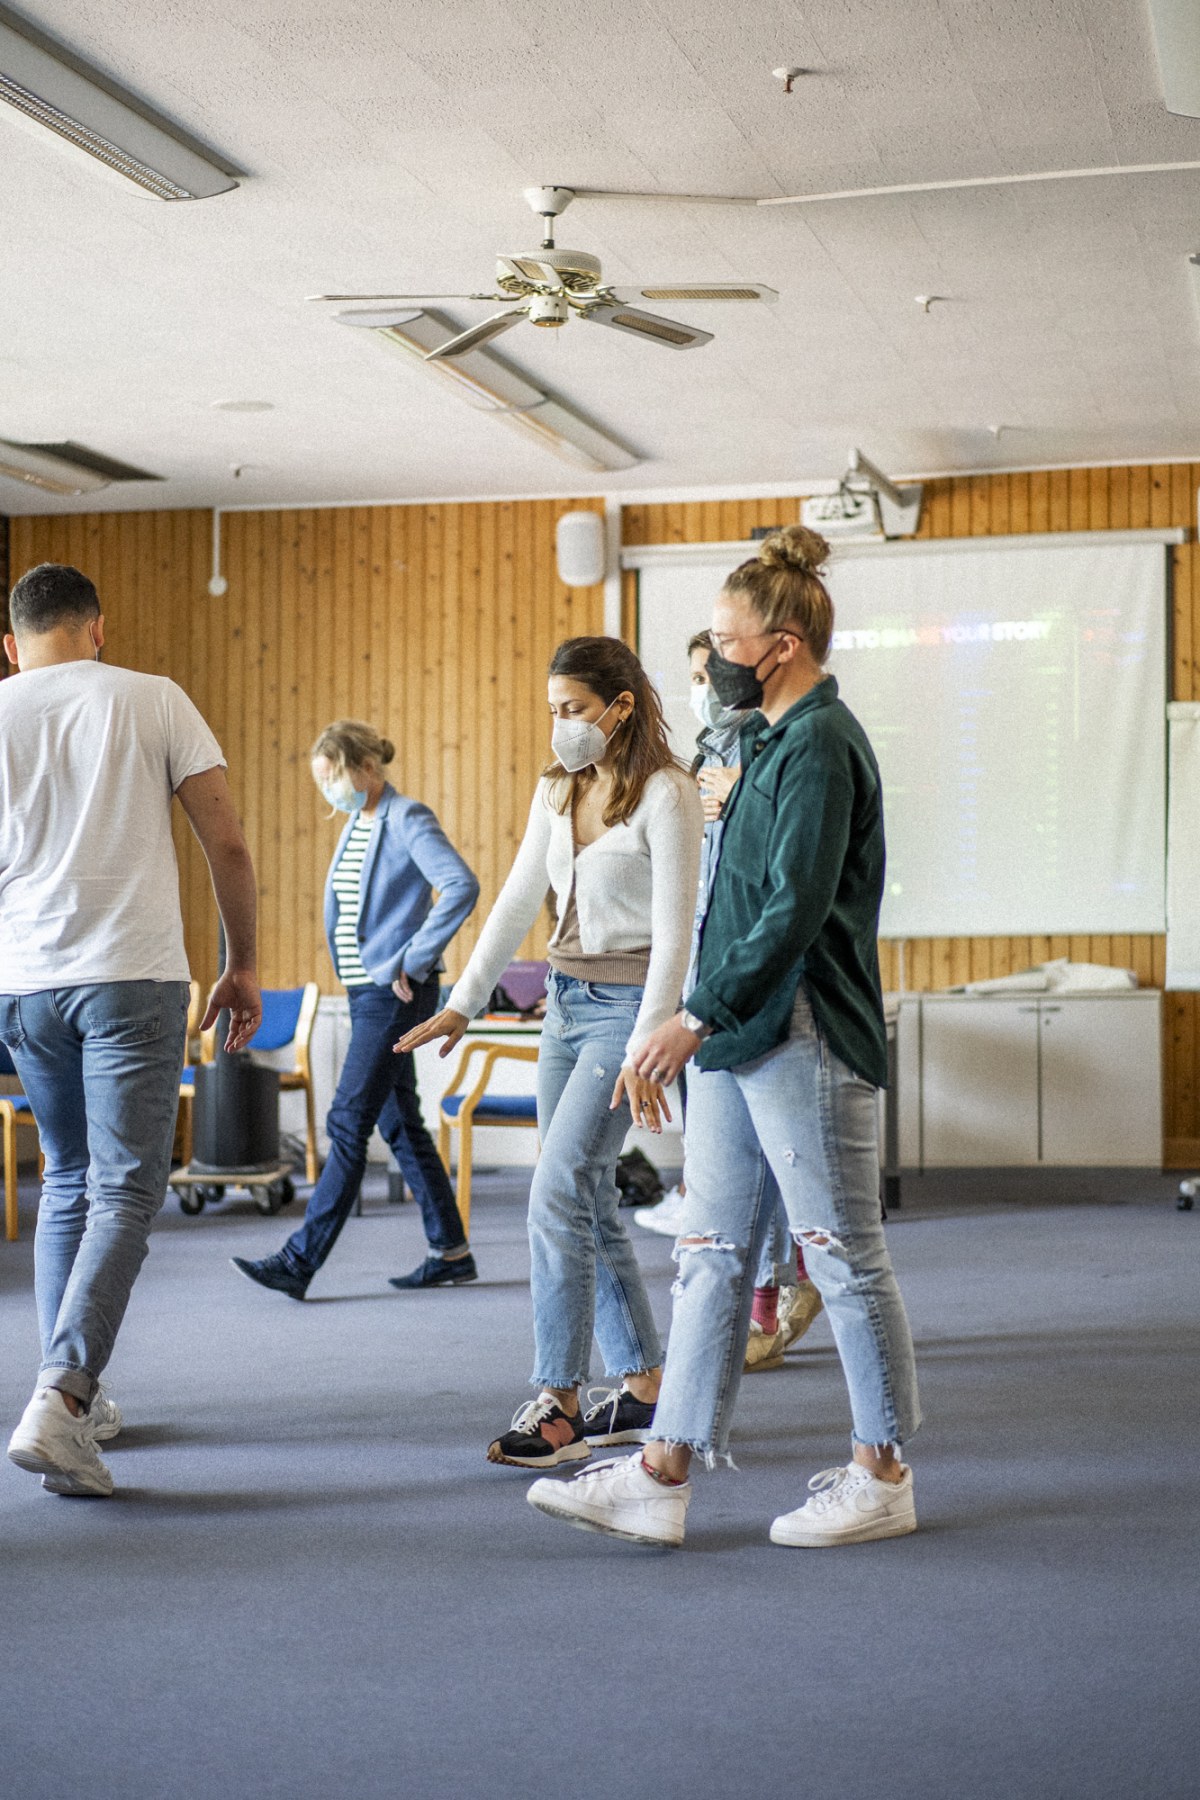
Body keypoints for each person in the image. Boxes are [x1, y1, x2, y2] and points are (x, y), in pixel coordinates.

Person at [526, 526, 921, 1548]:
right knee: (707, 1256)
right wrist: (691, 1017)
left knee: (841, 1255)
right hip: (740, 1035)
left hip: (804, 1033)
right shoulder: (761, 746)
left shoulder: (824, 743)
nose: (711, 661)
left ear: (779, 647)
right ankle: (662, 1470)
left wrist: (689, 1017)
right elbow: (720, 905)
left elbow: (792, 907)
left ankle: (881, 1473)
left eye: (724, 640)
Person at [398, 637, 702, 1468]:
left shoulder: (668, 796)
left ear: (622, 705)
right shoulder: (556, 787)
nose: (562, 727)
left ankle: (560, 1401)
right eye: (554, 711)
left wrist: (649, 1039)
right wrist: (462, 1004)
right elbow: (516, 900)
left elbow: (678, 932)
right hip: (563, 1010)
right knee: (589, 1197)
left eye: (574, 710)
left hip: (624, 1011)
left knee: (557, 1189)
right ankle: (643, 1385)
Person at [2, 562, 261, 1498]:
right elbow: (225, 839)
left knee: (65, 1181)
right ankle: (64, 1401)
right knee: (123, 1191)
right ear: (98, 629)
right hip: (133, 978)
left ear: (11, 643)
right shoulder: (153, 699)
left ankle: (67, 1394)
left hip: (26, 985)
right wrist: (243, 962)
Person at [232, 720, 480, 1301]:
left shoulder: (407, 818)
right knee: (398, 1121)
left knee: (347, 1121)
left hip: (394, 994)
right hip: (367, 992)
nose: (329, 792)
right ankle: (451, 1250)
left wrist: (413, 961)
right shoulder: (356, 823)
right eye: (321, 782)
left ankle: (299, 1259)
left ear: (366, 770)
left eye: (333, 778)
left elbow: (460, 886)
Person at [634, 631, 825, 1373]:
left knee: (779, 1173)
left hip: (756, 984)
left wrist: (736, 802)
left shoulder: (773, 747)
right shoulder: (701, 759)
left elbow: (781, 883)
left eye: (704, 670)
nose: (699, 685)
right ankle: (776, 1294)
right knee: (728, 1179)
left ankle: (775, 1301)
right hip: (707, 977)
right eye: (689, 674)